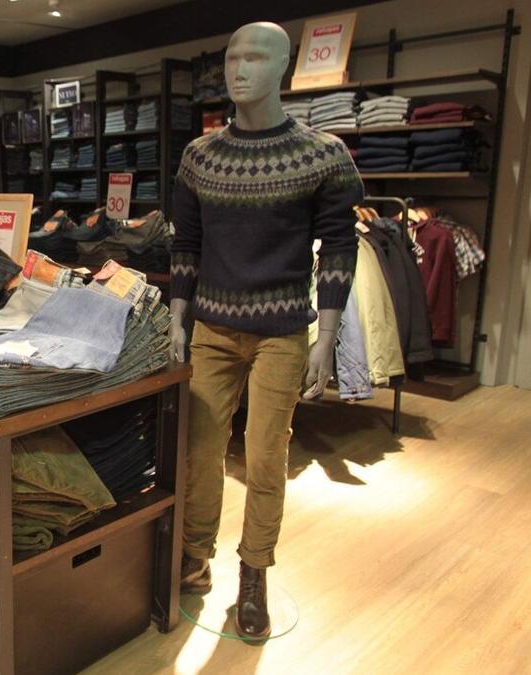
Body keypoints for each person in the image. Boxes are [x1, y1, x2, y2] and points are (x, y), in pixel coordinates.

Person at [169, 23, 362, 641]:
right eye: (231, 56)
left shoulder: (322, 153)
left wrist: (327, 339)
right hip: (211, 328)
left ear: (282, 67)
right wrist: (177, 320)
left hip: (282, 330)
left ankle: (254, 573)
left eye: (255, 57)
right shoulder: (200, 155)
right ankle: (194, 556)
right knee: (199, 450)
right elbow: (187, 245)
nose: (239, 68)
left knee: (265, 457)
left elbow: (338, 248)